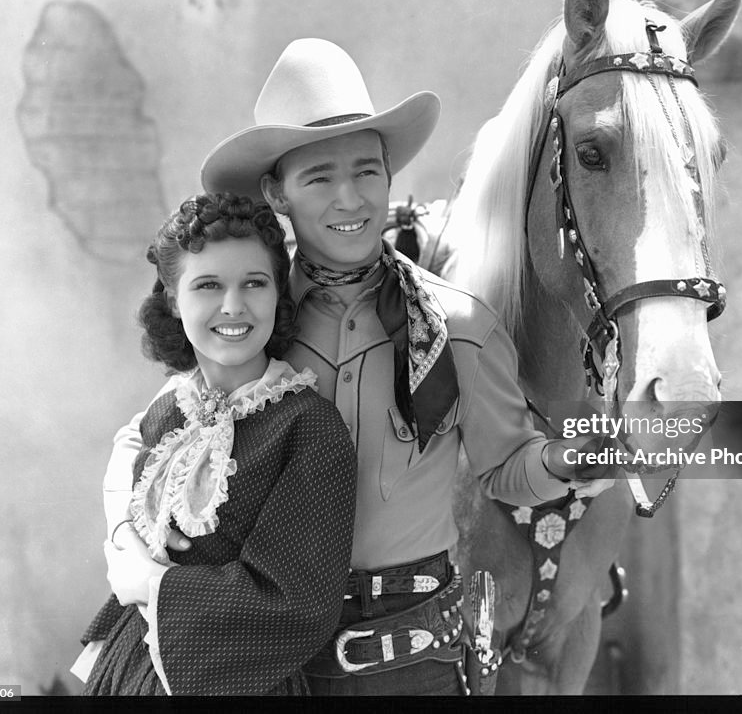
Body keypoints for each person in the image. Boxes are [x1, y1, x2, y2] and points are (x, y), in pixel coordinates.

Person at [101, 39, 615, 696]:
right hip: (267, 664)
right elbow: (168, 429)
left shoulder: (458, 327)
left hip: (412, 664)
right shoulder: (252, 322)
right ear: (276, 192)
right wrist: (127, 545)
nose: (350, 198)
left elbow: (509, 468)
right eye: (319, 178)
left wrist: (571, 460)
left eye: (367, 172)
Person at [73, 192, 356, 695]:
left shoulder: (308, 428)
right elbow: (126, 479)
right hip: (127, 666)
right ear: (172, 300)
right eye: (208, 285)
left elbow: (296, 603)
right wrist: (125, 547)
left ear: (276, 295)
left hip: (230, 679)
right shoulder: (168, 411)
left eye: (255, 283)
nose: (233, 305)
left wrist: (154, 586)